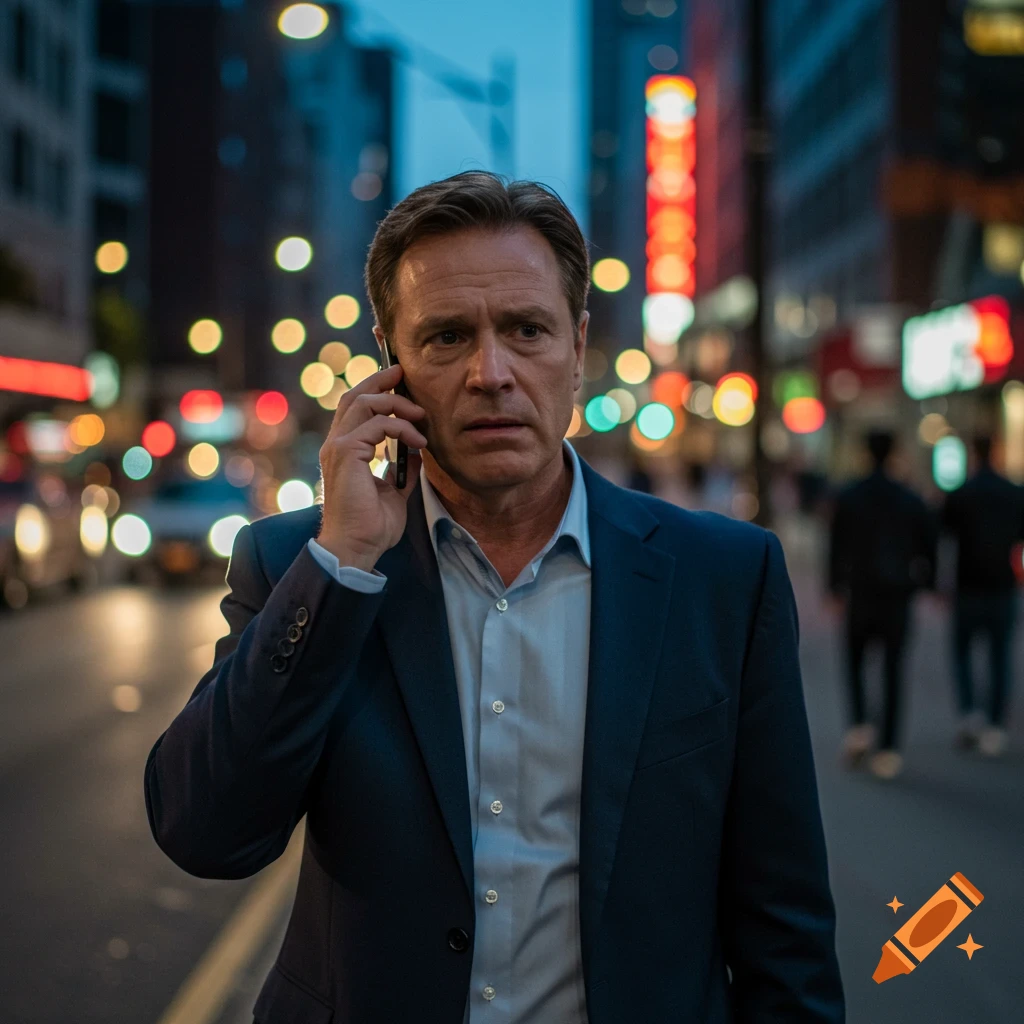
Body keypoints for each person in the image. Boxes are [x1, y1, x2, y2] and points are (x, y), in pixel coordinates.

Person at [145, 172, 844, 1023]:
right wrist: (343, 562)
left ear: (577, 347)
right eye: (446, 337)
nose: (491, 372)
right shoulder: (304, 564)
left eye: (526, 329)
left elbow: (786, 929)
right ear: (391, 366)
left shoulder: (723, 580)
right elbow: (206, 833)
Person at [828, 430, 937, 780]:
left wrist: (833, 586)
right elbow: (928, 543)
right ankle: (888, 748)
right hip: (897, 592)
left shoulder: (850, 495)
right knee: (893, 670)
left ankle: (860, 726)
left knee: (855, 661)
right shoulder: (909, 497)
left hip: (860, 590)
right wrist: (926, 582)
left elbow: (836, 544)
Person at [941, 435, 1024, 757]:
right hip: (1002, 584)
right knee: (1000, 655)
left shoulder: (961, 493)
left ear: (974, 453)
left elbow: (945, 535)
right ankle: (995, 723)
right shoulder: (1013, 492)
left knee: (962, 652)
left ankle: (970, 714)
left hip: (968, 584)